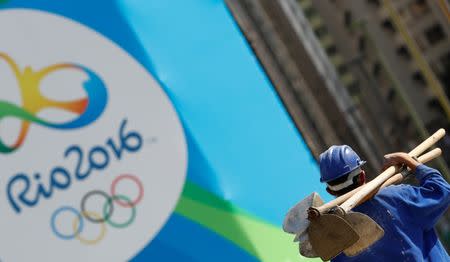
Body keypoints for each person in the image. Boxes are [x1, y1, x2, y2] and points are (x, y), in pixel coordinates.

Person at [319, 145, 450, 261]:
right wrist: (406, 159)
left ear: (330, 191)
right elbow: (442, 190)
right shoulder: (397, 197)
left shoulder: (336, 240)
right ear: (362, 176)